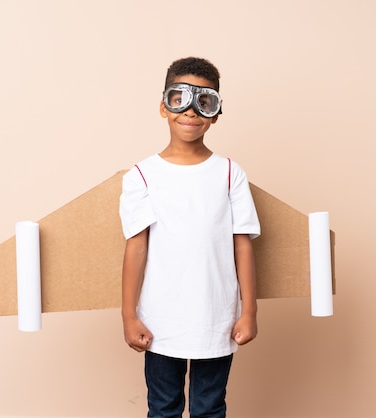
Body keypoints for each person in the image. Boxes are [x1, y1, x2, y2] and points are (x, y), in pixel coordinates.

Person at [119, 56, 261, 418]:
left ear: (215, 114)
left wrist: (250, 311)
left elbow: (241, 244)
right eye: (180, 99)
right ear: (164, 107)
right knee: (163, 408)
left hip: (217, 318)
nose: (191, 112)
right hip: (159, 319)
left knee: (209, 408)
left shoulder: (230, 173)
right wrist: (128, 315)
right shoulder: (141, 175)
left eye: (205, 102)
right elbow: (136, 247)